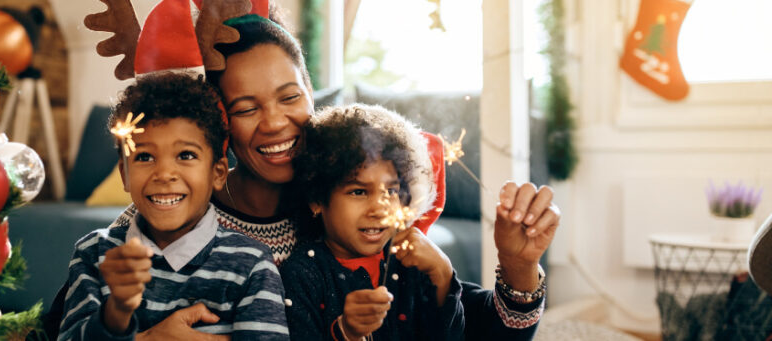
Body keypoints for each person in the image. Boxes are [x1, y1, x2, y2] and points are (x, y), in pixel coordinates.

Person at [82, 11, 557, 341]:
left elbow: (481, 332)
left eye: (290, 97)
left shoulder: (351, 212)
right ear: (220, 122)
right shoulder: (167, 217)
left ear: (311, 92)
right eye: (245, 108)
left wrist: (518, 266)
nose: (274, 122)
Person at [58, 73, 289, 341]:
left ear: (218, 173)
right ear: (125, 174)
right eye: (145, 156)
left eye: (186, 155)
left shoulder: (251, 264)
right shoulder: (94, 254)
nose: (165, 173)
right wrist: (116, 312)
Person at [282, 104, 464, 340]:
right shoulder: (302, 274)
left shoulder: (412, 263)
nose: (380, 209)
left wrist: (443, 273)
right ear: (317, 198)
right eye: (358, 192)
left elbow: (451, 336)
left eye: (391, 191)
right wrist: (345, 332)